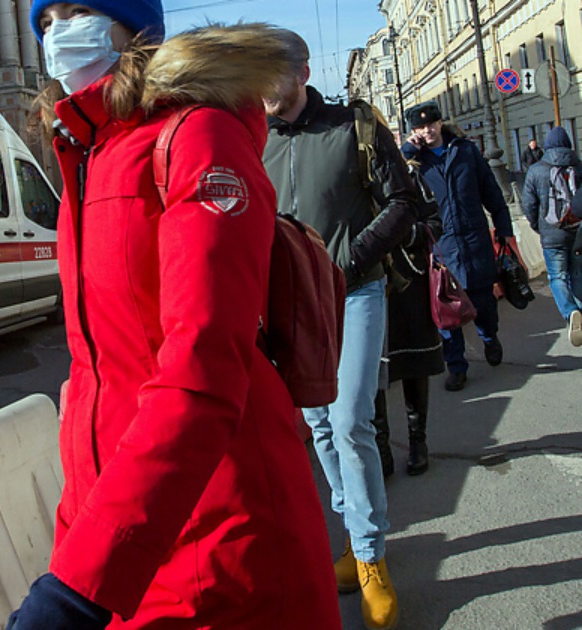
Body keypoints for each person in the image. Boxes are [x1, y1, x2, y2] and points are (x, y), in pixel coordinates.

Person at [6, 5, 340, 628]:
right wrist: (76, 547)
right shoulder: (88, 153)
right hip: (130, 538)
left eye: (76, 11)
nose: (56, 35)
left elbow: (203, 367)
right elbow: (94, 377)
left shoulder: (196, 136)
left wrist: (80, 583)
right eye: (44, 20)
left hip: (225, 545)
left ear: (131, 23)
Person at [262, 30, 418, 630]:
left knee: (351, 419)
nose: (261, 87)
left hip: (358, 292)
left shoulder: (352, 125)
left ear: (301, 71)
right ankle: (355, 539)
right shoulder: (256, 141)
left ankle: (373, 556)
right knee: (320, 424)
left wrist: (347, 263)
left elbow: (404, 201)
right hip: (296, 308)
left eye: (270, 72)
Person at [403, 101, 516, 391]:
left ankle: (489, 337)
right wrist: (407, 153)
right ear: (413, 131)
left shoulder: (465, 151)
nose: (427, 130)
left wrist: (504, 229)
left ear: (441, 123)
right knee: (446, 313)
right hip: (442, 248)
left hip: (475, 241)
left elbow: (490, 191)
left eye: (431, 124)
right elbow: (394, 186)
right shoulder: (415, 163)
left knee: (484, 305)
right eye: (419, 127)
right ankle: (457, 367)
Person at [374, 158, 446, 478]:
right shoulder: (344, 173)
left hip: (410, 281)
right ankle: (381, 448)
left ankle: (418, 442)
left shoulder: (407, 174)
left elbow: (434, 221)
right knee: (371, 372)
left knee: (414, 364)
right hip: (368, 284)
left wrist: (406, 233)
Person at [521, 127, 582, 346]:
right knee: (577, 273)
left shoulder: (536, 170)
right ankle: (580, 310)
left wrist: (538, 226)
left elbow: (528, 204)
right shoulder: (579, 166)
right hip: (578, 232)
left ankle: (570, 312)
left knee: (557, 277)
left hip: (551, 233)